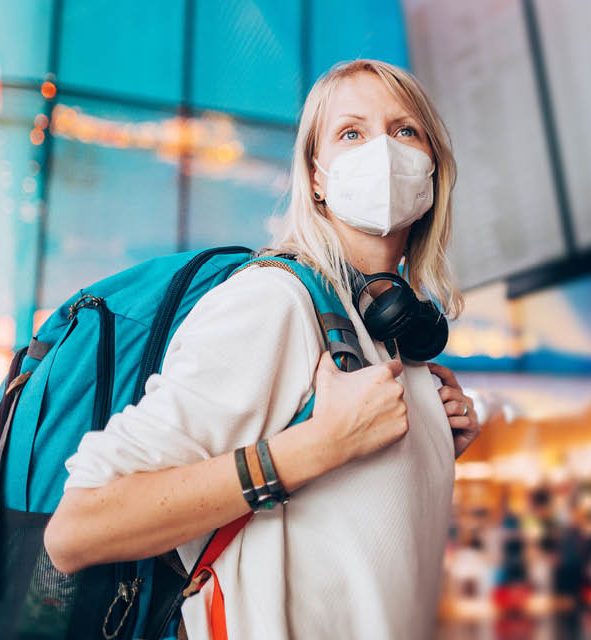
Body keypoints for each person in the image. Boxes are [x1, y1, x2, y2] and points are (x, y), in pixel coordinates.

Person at [41, 59, 480, 639]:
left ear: (431, 170)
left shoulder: (400, 338)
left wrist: (438, 448)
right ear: (316, 177)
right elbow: (77, 529)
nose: (383, 150)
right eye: (351, 133)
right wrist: (319, 446)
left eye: (405, 131)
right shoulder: (276, 301)